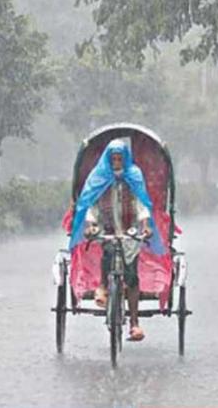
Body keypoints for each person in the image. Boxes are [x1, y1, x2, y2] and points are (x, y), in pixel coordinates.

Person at [68, 139, 164, 342]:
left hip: (130, 232)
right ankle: (103, 286)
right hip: (108, 229)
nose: (117, 162)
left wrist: (145, 225)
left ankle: (135, 323)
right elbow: (91, 204)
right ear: (108, 159)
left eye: (120, 159)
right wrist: (91, 225)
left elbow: (141, 204)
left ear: (125, 159)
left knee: (132, 277)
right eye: (114, 159)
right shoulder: (100, 176)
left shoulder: (134, 176)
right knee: (108, 254)